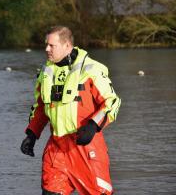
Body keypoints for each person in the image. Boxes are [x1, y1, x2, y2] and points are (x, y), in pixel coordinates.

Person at [20, 26, 121, 195]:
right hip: (56, 148)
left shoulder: (91, 69)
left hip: (85, 146)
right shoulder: (46, 72)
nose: (46, 49)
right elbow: (40, 107)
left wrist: (92, 125)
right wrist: (32, 134)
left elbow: (112, 102)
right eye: (46, 45)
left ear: (67, 45)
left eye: (52, 46)